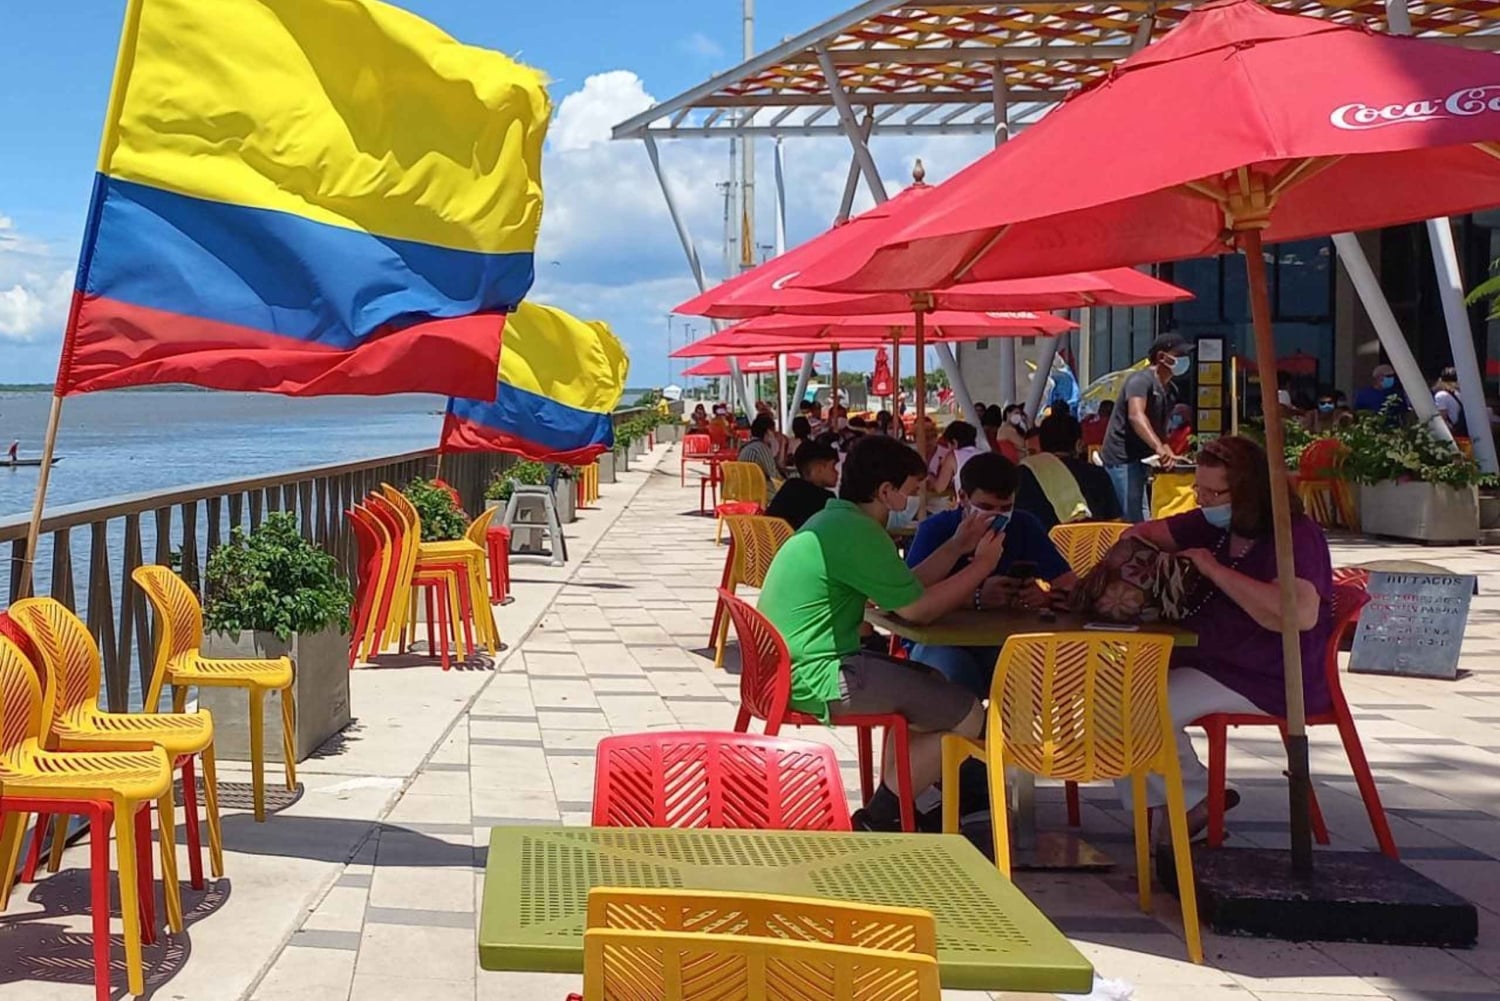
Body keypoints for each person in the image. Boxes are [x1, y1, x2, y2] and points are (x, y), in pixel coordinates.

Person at [758, 434, 1004, 831]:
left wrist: (958, 547)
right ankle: (881, 816)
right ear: (886, 491)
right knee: (968, 712)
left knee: (930, 685)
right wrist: (981, 567)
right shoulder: (859, 532)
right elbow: (917, 609)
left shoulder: (834, 520)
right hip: (820, 676)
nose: (914, 502)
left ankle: (900, 804)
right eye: (910, 491)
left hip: (793, 667)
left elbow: (902, 589)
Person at [1117, 435, 1333, 837]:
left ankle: (1190, 806)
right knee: (1115, 695)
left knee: (1138, 709)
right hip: (1210, 658)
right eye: (1198, 488)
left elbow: (1299, 613)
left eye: (1214, 492)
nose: (1202, 500)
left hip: (1267, 671)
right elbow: (1138, 534)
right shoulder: (1212, 523)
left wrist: (1214, 571)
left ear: (1248, 493)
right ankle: (1190, 805)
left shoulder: (1295, 535)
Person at [905, 452, 1078, 697]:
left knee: (1034, 673)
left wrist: (1047, 596)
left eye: (1005, 508)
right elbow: (909, 598)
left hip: (1002, 640)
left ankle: (1008, 733)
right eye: (986, 507)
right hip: (939, 642)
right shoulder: (936, 529)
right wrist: (976, 598)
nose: (996, 516)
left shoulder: (1023, 525)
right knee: (956, 673)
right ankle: (971, 732)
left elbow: (1071, 585)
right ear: (962, 498)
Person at [1102, 333, 1191, 522]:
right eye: (1179, 353)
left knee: (1144, 513)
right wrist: (1160, 449)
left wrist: (1169, 453)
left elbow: (1160, 430)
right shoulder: (1140, 381)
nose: (1185, 358)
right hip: (1122, 458)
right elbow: (1136, 415)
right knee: (1132, 516)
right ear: (1161, 357)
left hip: (1144, 458)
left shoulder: (1171, 391)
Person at [1016, 412, 1122, 531]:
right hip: (1091, 546)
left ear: (1041, 444)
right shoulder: (1098, 475)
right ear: (1078, 444)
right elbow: (1114, 523)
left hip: (1037, 547)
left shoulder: (1021, 474)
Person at [765, 440, 839, 529]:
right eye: (833, 466)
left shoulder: (790, 486)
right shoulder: (826, 500)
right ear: (819, 469)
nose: (837, 472)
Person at [927, 420, 981, 501]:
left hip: (966, 507)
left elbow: (940, 487)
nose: (948, 448)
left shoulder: (953, 456)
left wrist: (929, 475)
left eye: (948, 444)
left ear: (955, 442)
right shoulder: (985, 454)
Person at [737, 413, 782, 492]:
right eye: (774, 431)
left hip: (744, 490)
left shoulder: (747, 447)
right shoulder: (761, 448)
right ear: (768, 432)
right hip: (758, 492)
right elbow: (775, 477)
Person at [1432, 366, 1468, 436]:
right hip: (1463, 431)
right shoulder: (1462, 394)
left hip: (1451, 433)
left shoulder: (1441, 395)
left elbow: (1442, 419)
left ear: (1441, 380)